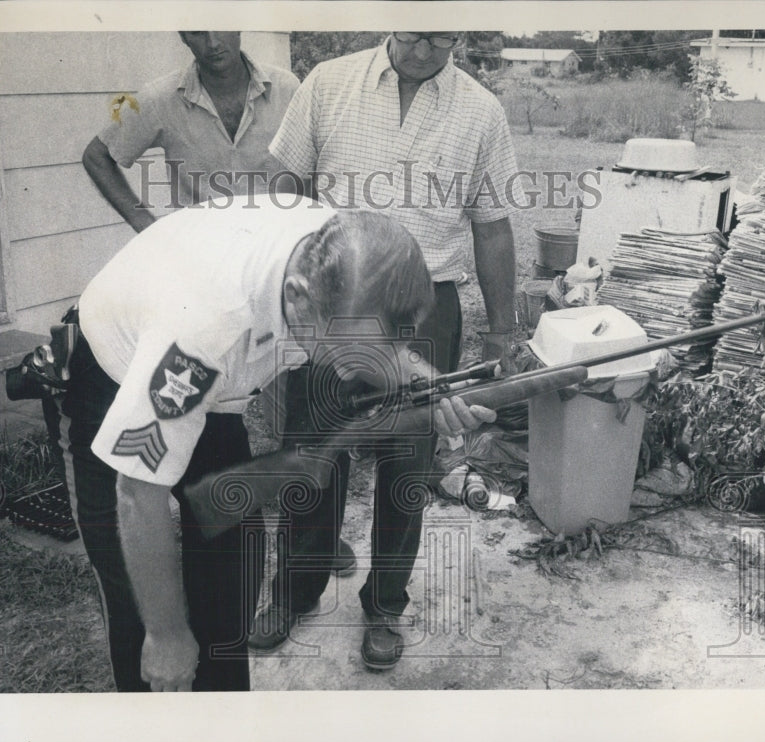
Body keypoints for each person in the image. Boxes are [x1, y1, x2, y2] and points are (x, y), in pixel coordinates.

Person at [57, 199, 495, 691]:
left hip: (218, 384)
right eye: (349, 349)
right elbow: (137, 495)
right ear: (299, 297)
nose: (362, 369)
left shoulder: (338, 253)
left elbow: (380, 342)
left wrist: (430, 386)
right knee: (138, 608)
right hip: (117, 371)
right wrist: (167, 633)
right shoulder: (201, 335)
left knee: (232, 574)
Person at [250, 31, 520, 671]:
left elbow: (493, 224)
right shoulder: (328, 83)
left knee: (407, 465)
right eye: (417, 34)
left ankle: (384, 606)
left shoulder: (481, 110)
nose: (428, 49)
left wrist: (504, 329)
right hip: (333, 298)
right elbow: (280, 184)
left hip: (428, 307)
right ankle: (293, 591)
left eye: (444, 38)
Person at [82, 31, 298, 231]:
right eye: (197, 32)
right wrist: (150, 230)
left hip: (276, 249)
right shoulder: (161, 98)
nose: (212, 43)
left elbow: (313, 166)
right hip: (202, 255)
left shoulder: (286, 89)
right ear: (184, 37)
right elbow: (96, 157)